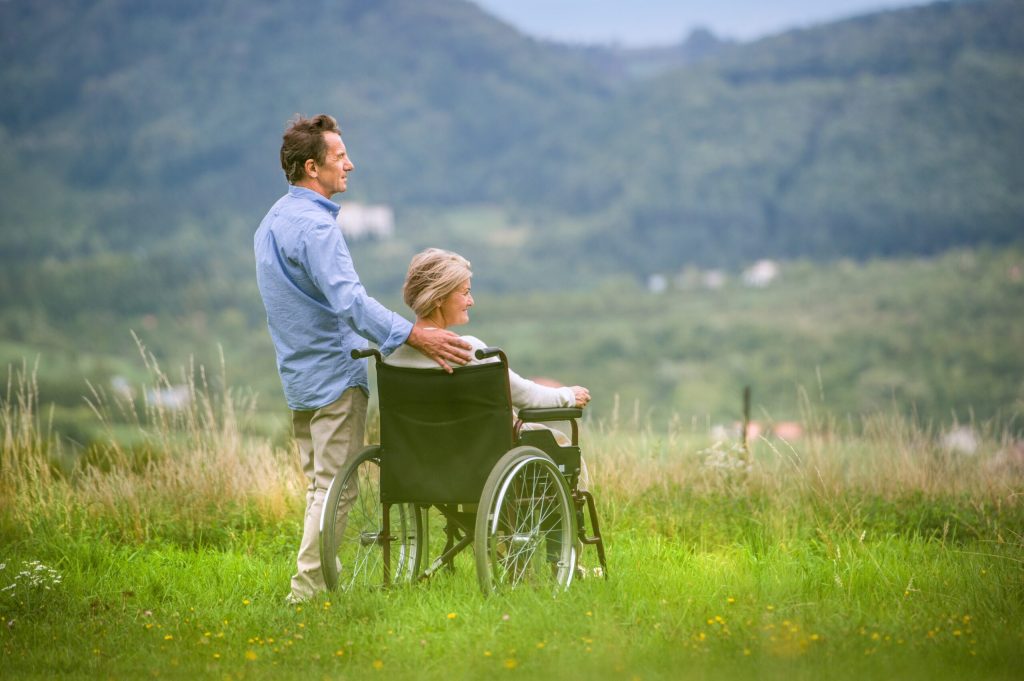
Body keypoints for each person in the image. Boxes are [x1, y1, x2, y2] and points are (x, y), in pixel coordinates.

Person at [254, 114, 471, 604]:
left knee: (318, 488)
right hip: (333, 375)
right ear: (312, 167)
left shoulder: (271, 222)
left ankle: (314, 586)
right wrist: (414, 334)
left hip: (297, 374)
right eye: (339, 157)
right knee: (335, 491)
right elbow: (350, 303)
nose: (350, 164)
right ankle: (306, 594)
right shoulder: (317, 229)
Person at [385, 248, 592, 477]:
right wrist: (569, 396)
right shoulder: (466, 349)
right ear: (439, 298)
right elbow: (527, 397)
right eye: (465, 293)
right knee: (557, 436)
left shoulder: (392, 355)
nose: (471, 301)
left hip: (419, 464)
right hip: (477, 461)